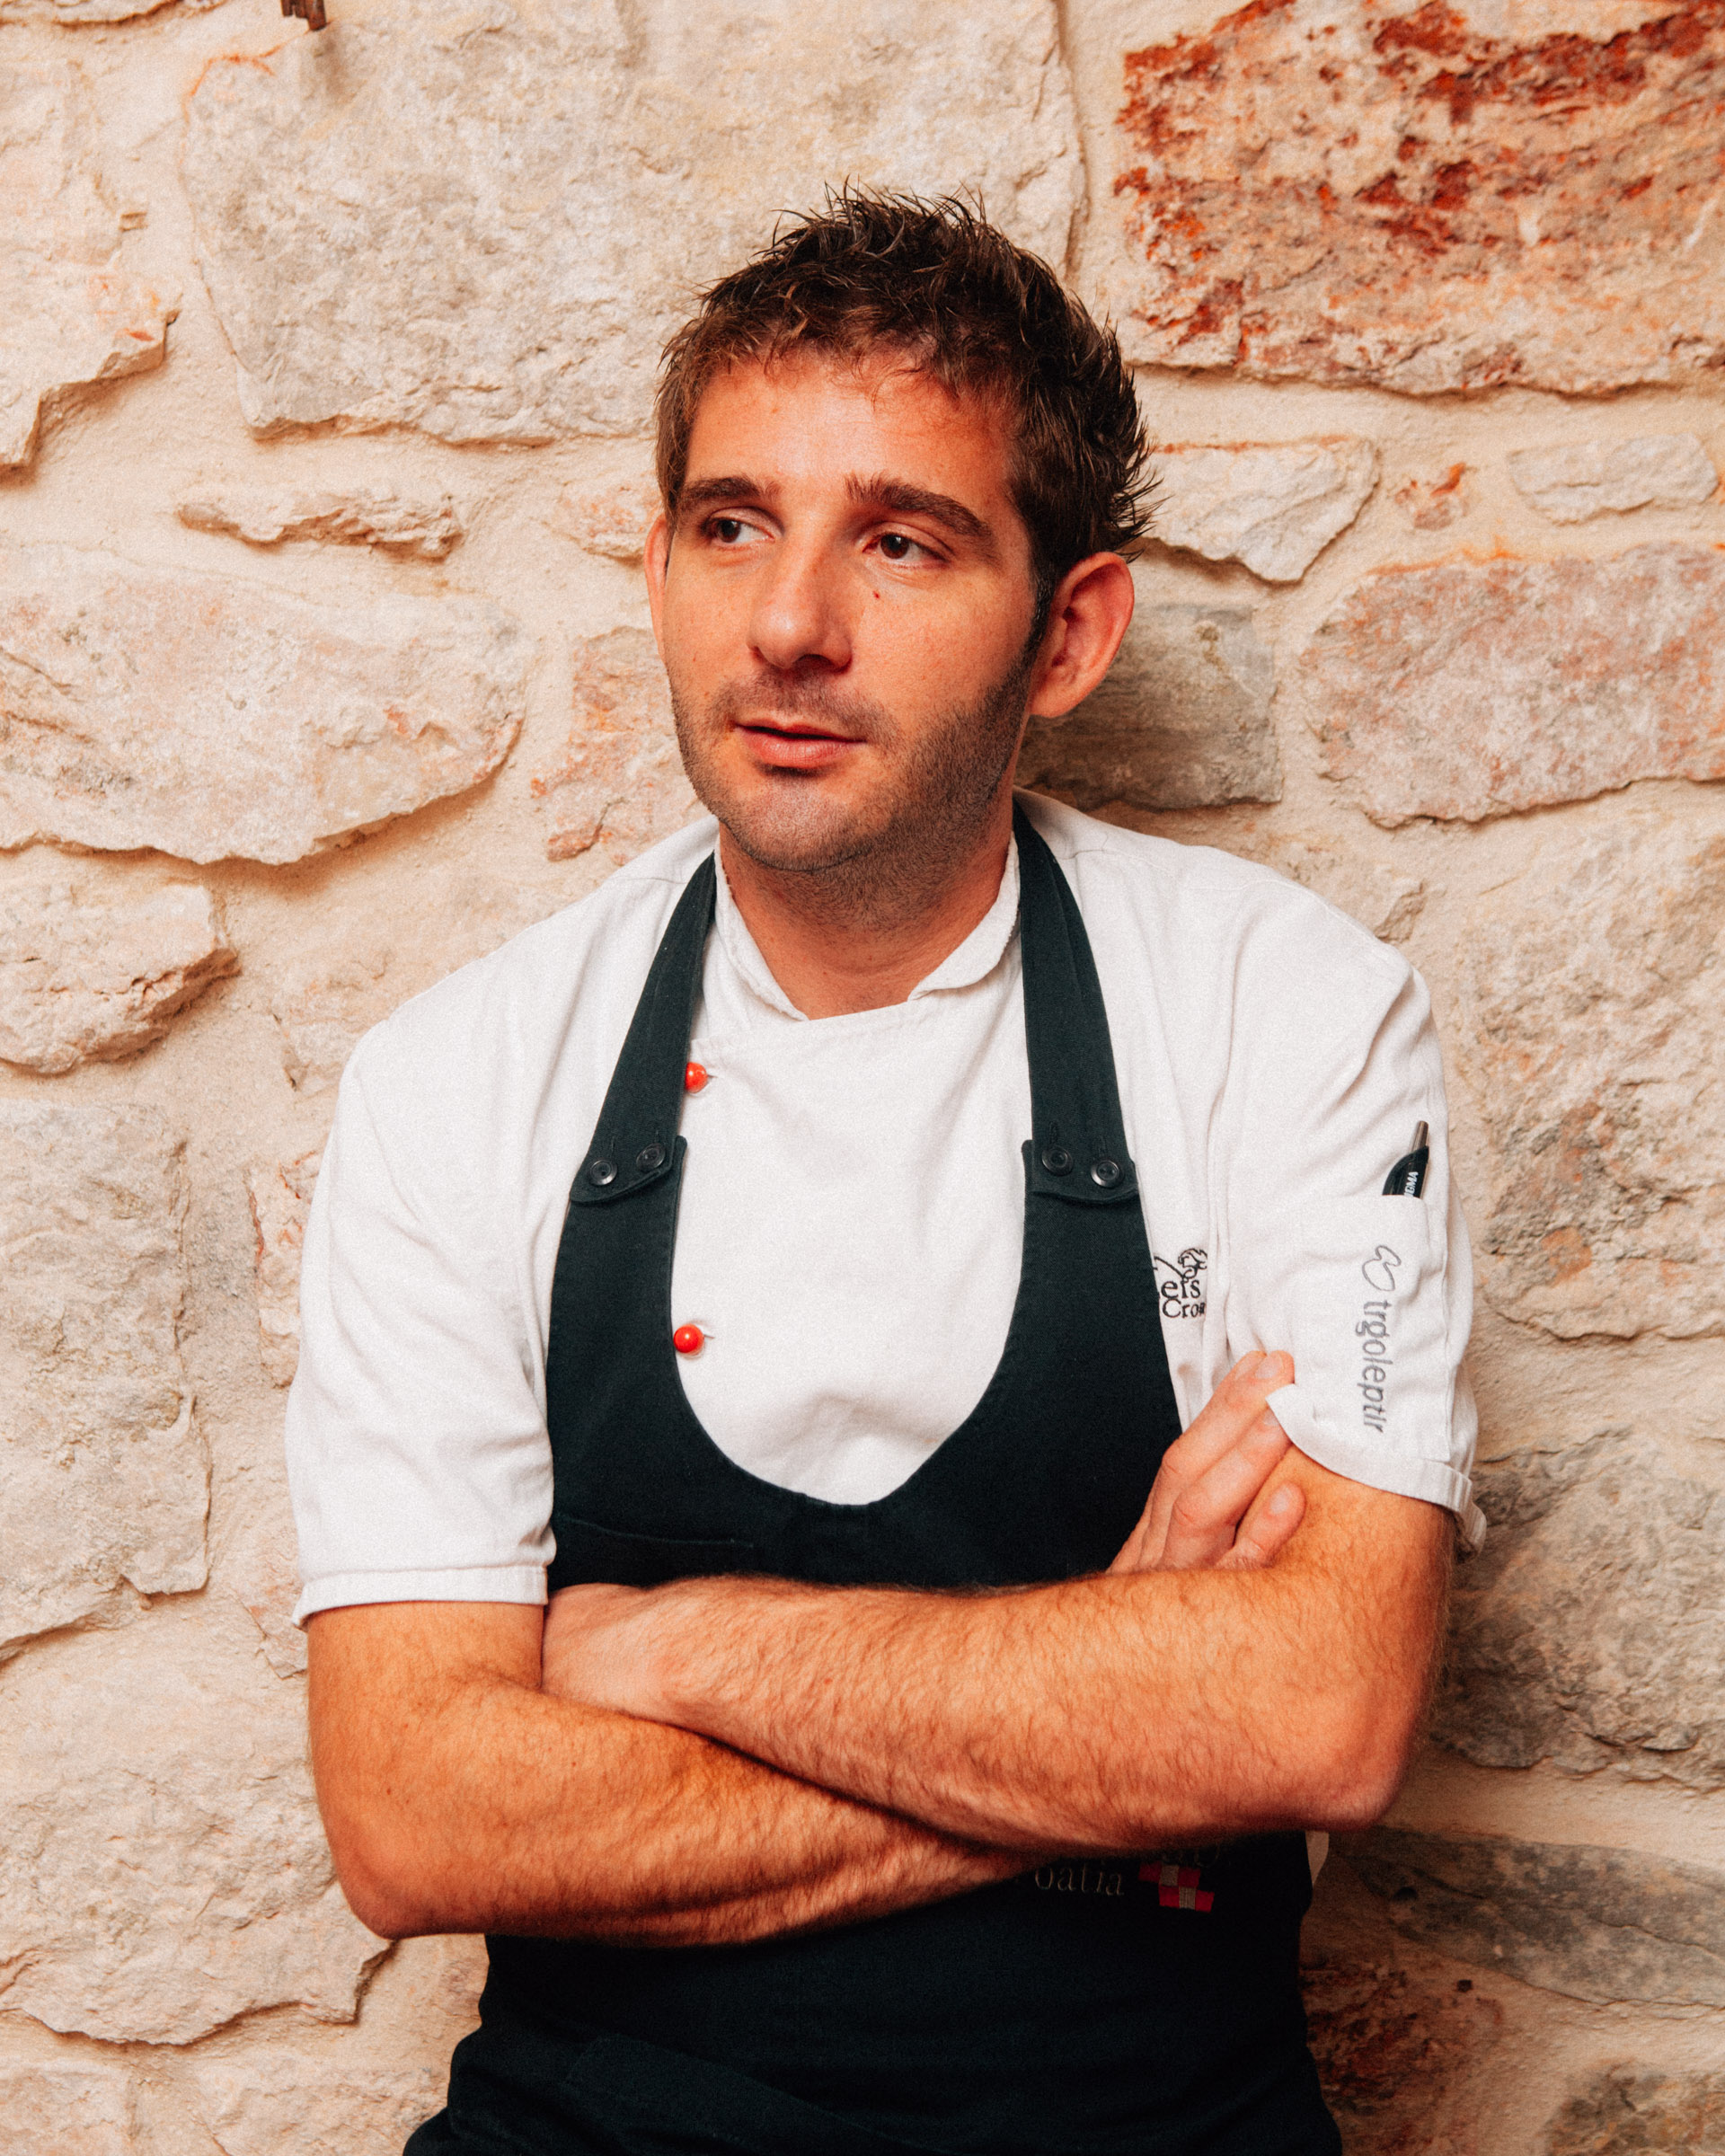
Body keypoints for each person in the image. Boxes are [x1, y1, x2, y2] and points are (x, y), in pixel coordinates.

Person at [289, 191, 1482, 2156]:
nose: (788, 625)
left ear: (1069, 631)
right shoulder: (461, 1079)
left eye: (901, 541)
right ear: (658, 563)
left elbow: (1321, 1710)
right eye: (729, 524)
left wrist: (666, 1648)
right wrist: (1112, 1725)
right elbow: (418, 1820)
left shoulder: (1287, 1015)